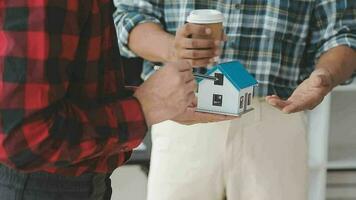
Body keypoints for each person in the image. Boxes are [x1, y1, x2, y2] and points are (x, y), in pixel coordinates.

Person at [114, 1, 356, 199]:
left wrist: (326, 75)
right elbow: (130, 16)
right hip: (184, 112)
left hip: (277, 116)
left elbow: (343, 35)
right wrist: (173, 49)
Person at [0, 1, 232, 199]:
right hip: (42, 185)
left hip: (73, 182)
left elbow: (64, 95)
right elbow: (25, 135)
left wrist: (153, 101)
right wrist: (144, 106)